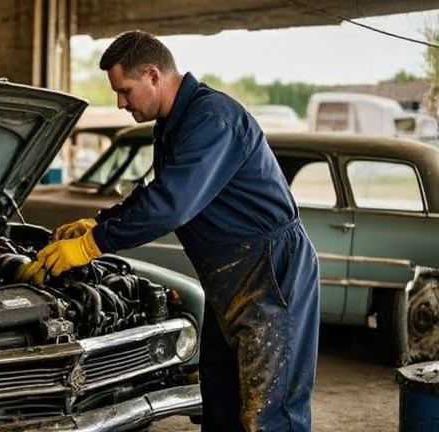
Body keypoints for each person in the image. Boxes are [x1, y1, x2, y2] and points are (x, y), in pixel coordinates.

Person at [17, 30, 320, 431]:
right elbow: (158, 192)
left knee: (270, 412)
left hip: (270, 273)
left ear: (154, 76)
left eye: (125, 90)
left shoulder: (212, 119)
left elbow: (171, 206)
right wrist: (100, 221)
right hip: (230, 278)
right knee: (221, 398)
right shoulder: (174, 124)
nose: (120, 103)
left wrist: (91, 245)